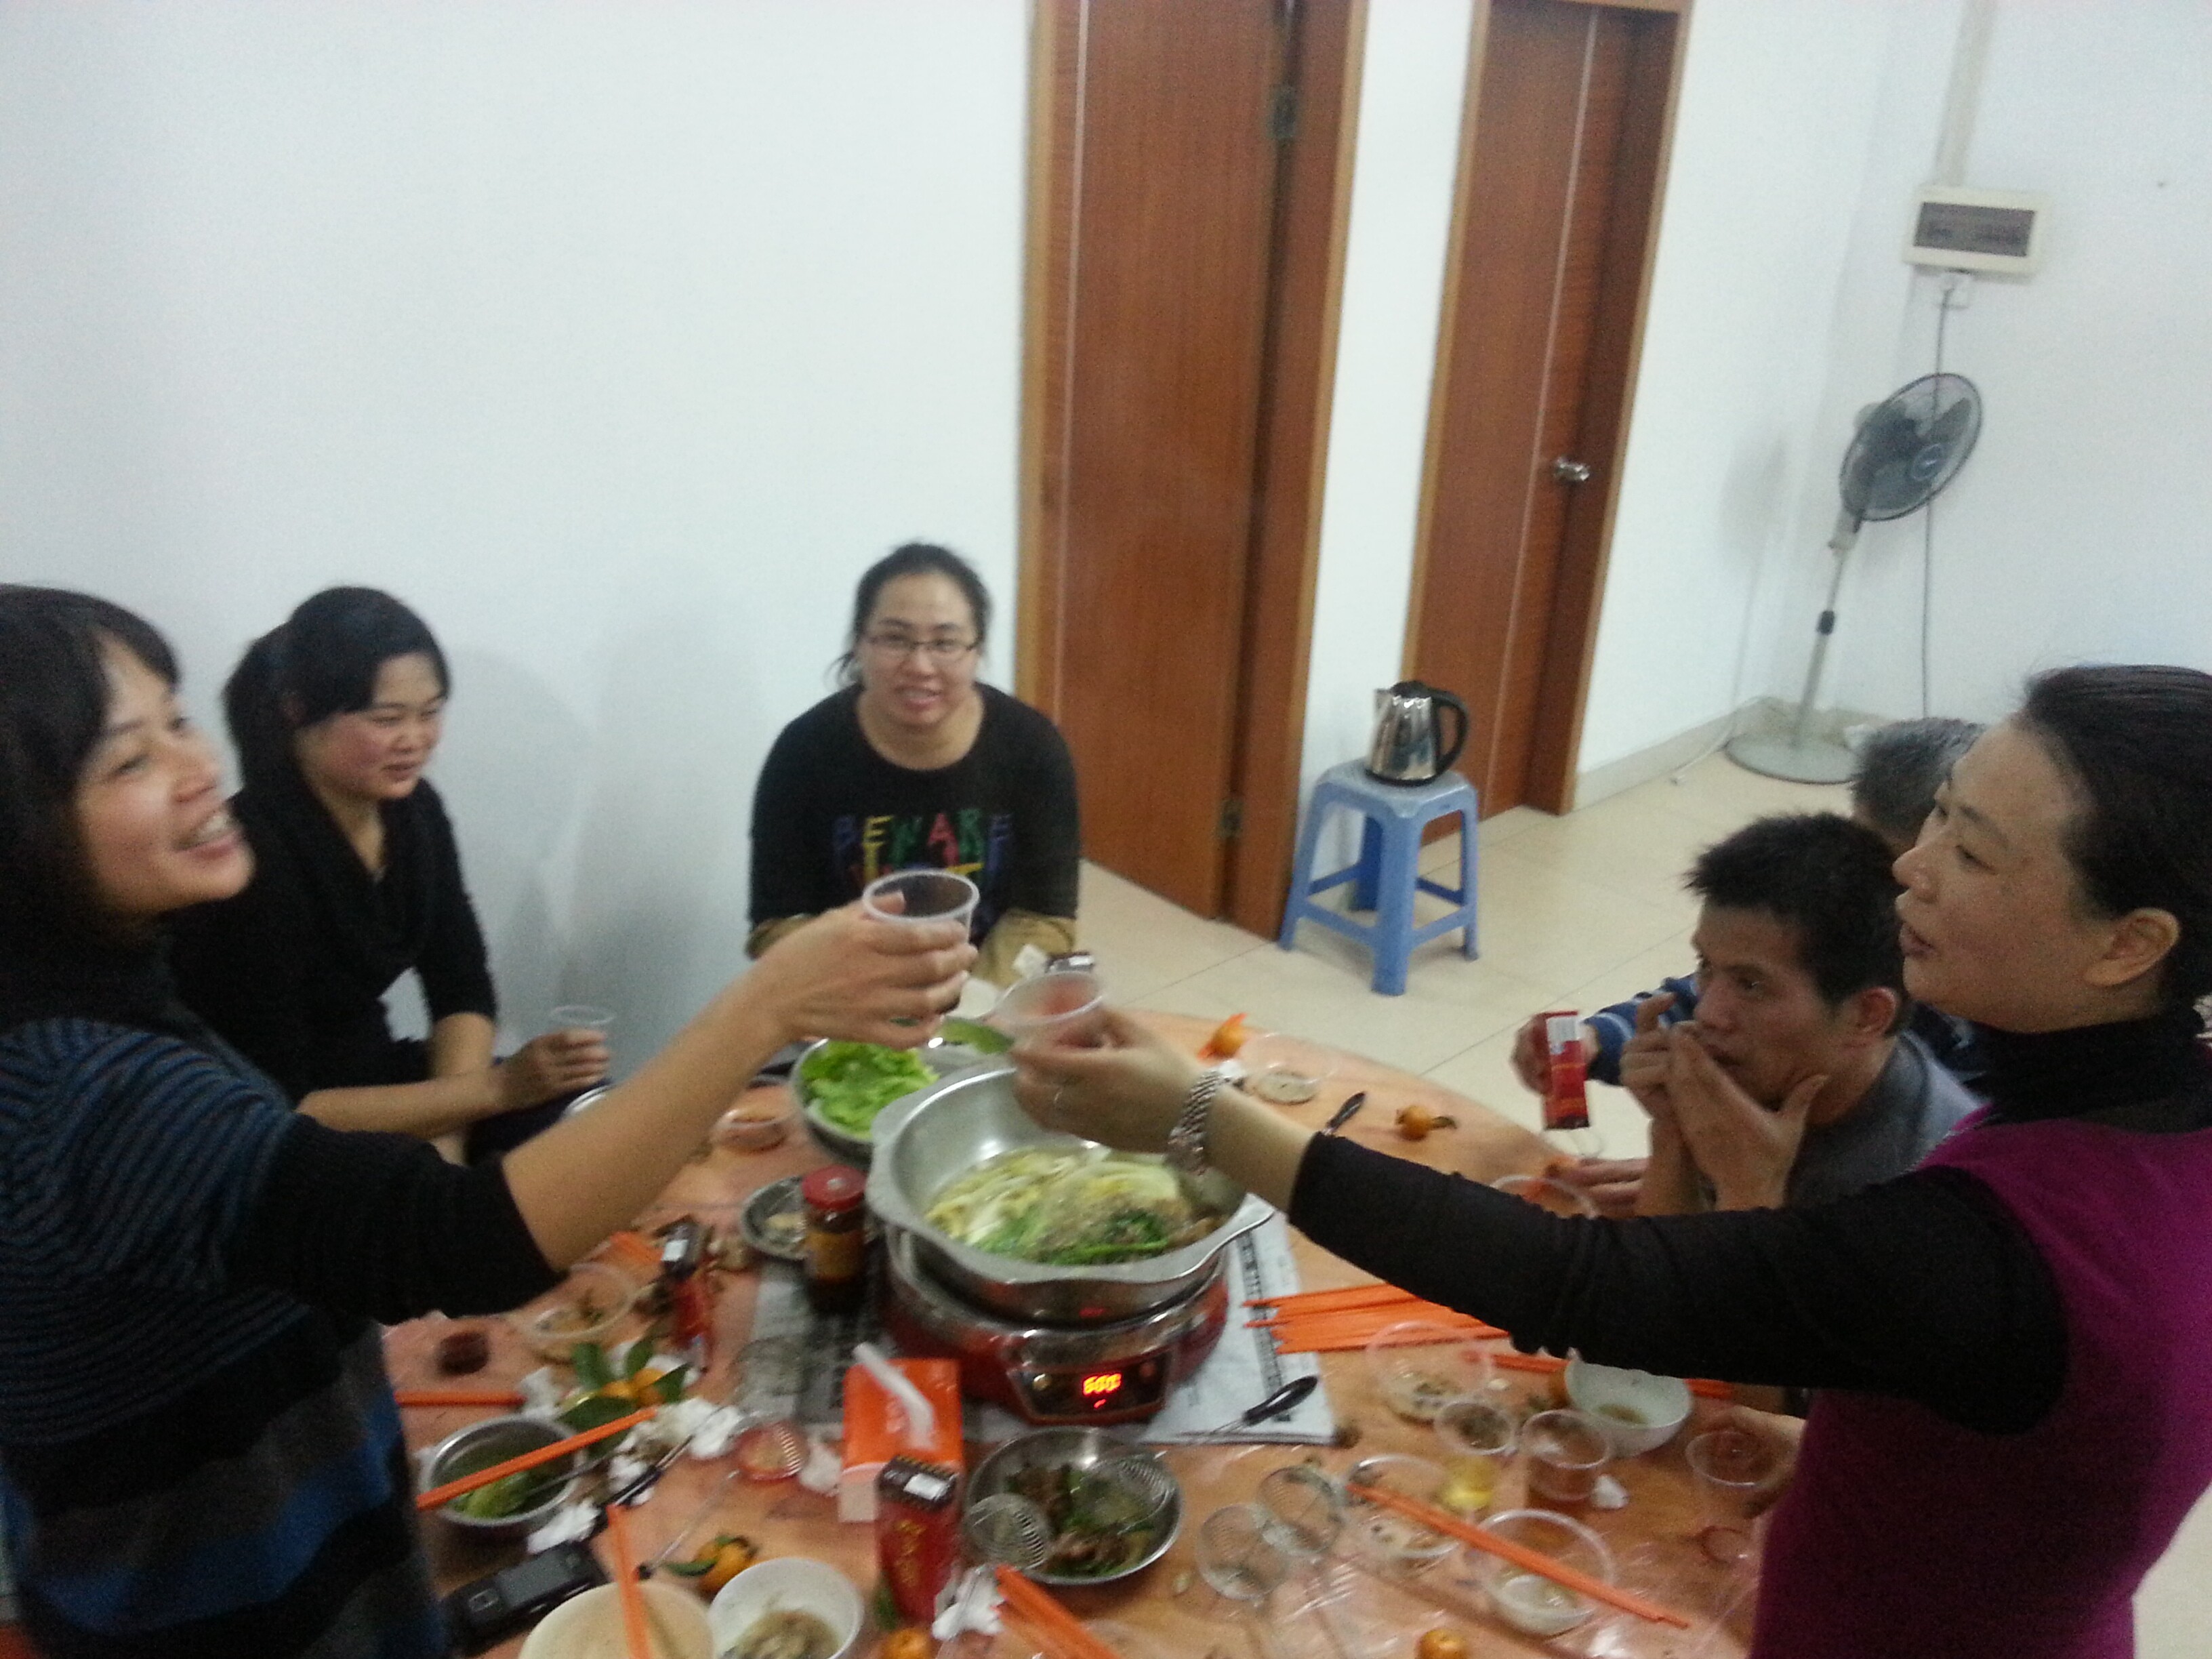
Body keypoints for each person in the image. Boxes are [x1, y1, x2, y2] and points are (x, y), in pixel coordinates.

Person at [1013, 663, 2212, 1659]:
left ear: (2129, 945)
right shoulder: (2155, 1115)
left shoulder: (1996, 1243)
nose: (1911, 864)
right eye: (1939, 814)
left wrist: (1203, 1115)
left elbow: (1577, 1283)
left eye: (1976, 851)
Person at [0, 586, 972, 1658]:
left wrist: (460, 1137)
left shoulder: (100, 999)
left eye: (179, 720)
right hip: (217, 1603)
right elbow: (461, 1241)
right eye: (129, 761)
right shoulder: (85, 1093)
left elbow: (454, 1002)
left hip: (301, 1526)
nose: (198, 768)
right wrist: (763, 1007)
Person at [168, 588, 596, 1162]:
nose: (415, 741)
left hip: (385, 1080)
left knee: (589, 1111)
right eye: (387, 719)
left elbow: (461, 986)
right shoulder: (250, 858)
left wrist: (451, 1133)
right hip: (283, 1133)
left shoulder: (414, 812)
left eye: (430, 713)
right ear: (298, 710)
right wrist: (493, 1092)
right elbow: (278, 1102)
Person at [1601, 815, 1977, 1217]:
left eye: (1751, 985)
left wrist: (1749, 1188)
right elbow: (1668, 1249)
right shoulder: (1762, 1077)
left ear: (1867, 1017)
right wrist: (1673, 1134)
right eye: (1706, 965)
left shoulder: (1927, 1192)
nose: (1707, 1012)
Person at [748, 543, 1080, 989]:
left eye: (945, 643)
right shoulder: (805, 752)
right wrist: (870, 993)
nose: (920, 666)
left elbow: (1045, 915)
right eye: (895, 639)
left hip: (988, 994)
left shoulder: (1031, 747)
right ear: (859, 644)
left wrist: (970, 1003)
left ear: (977, 650)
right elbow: (778, 922)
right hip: (848, 992)